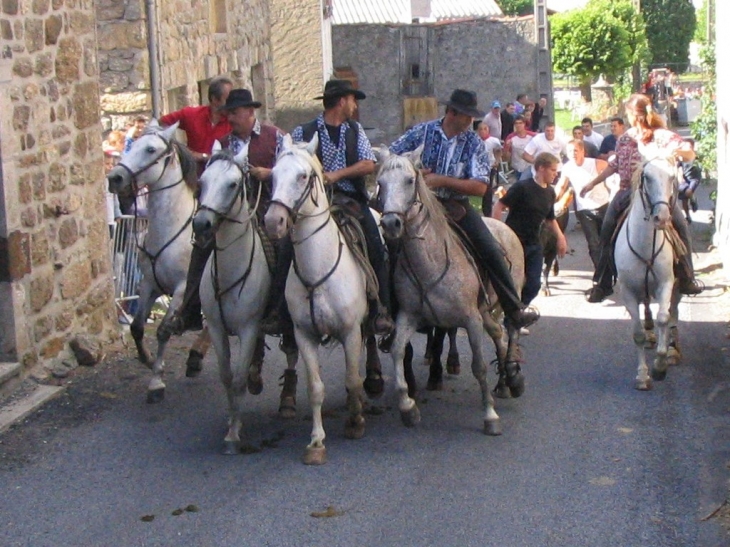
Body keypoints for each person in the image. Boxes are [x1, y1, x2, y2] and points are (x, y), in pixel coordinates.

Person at [389, 89, 539, 329]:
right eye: (467, 116)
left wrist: (441, 180)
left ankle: (513, 308)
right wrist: (412, 172)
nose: (471, 121)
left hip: (456, 207)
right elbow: (391, 156)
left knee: (490, 249)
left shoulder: (473, 143)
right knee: (392, 247)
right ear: (452, 112)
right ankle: (388, 313)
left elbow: (481, 187)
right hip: (418, 208)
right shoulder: (422, 132)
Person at [168, 88, 284, 334]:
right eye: (227, 113)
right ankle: (190, 309)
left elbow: (290, 170)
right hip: (230, 212)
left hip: (267, 208)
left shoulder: (275, 137)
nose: (229, 118)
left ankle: (279, 311)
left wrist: (269, 173)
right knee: (201, 246)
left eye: (234, 112)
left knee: (284, 249)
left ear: (250, 111)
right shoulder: (223, 142)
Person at [287, 79, 392, 335]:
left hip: (351, 200)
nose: (355, 106)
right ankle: (280, 312)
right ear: (342, 100)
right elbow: (294, 162)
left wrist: (336, 176)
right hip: (313, 203)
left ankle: (381, 308)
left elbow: (368, 163)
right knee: (284, 248)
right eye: (353, 100)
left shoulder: (355, 130)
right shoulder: (304, 132)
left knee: (377, 247)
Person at [580, 93, 703, 302]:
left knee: (681, 227)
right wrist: (593, 182)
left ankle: (687, 276)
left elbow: (690, 154)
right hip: (627, 191)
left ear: (633, 114)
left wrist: (680, 150)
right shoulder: (626, 138)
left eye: (628, 113)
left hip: (658, 194)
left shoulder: (663, 136)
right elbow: (615, 165)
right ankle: (602, 281)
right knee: (607, 229)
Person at [492, 153, 567, 307]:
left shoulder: (550, 192)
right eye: (552, 170)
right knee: (513, 282)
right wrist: (497, 232)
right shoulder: (522, 187)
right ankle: (508, 316)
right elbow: (499, 205)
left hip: (534, 242)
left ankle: (517, 313)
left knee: (534, 285)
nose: (556, 174)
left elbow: (550, 218)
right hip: (514, 241)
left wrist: (560, 237)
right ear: (541, 168)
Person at [159, 76, 233, 174]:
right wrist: (181, 150)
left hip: (222, 178)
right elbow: (161, 124)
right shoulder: (192, 114)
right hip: (192, 178)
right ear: (215, 99)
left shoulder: (234, 122)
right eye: (228, 99)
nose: (233, 103)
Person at [555, 140, 611, 268]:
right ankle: (600, 274)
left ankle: (611, 269)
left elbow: (612, 169)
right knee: (593, 243)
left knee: (607, 240)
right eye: (569, 151)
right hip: (584, 210)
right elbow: (561, 186)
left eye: (575, 150)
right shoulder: (567, 168)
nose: (573, 154)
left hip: (603, 206)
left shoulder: (595, 163)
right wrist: (551, 197)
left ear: (582, 151)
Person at [475, 120, 503, 216]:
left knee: (488, 189)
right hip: (478, 168)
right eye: (480, 129)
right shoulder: (475, 141)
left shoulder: (493, 141)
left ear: (488, 130)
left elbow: (498, 151)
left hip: (490, 167)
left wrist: (497, 161)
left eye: (485, 129)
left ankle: (487, 212)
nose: (483, 131)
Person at [503, 115, 535, 181]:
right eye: (516, 123)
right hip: (517, 167)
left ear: (524, 124)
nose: (518, 125)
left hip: (530, 166)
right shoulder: (510, 137)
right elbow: (505, 157)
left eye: (520, 123)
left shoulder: (532, 136)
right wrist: (507, 147)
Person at [678, 138, 701, 222]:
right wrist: (680, 177)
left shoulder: (695, 156)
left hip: (694, 178)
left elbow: (701, 164)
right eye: (685, 146)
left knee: (688, 192)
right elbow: (679, 168)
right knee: (684, 201)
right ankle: (687, 216)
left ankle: (693, 200)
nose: (687, 148)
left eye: (689, 146)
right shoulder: (681, 157)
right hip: (685, 179)